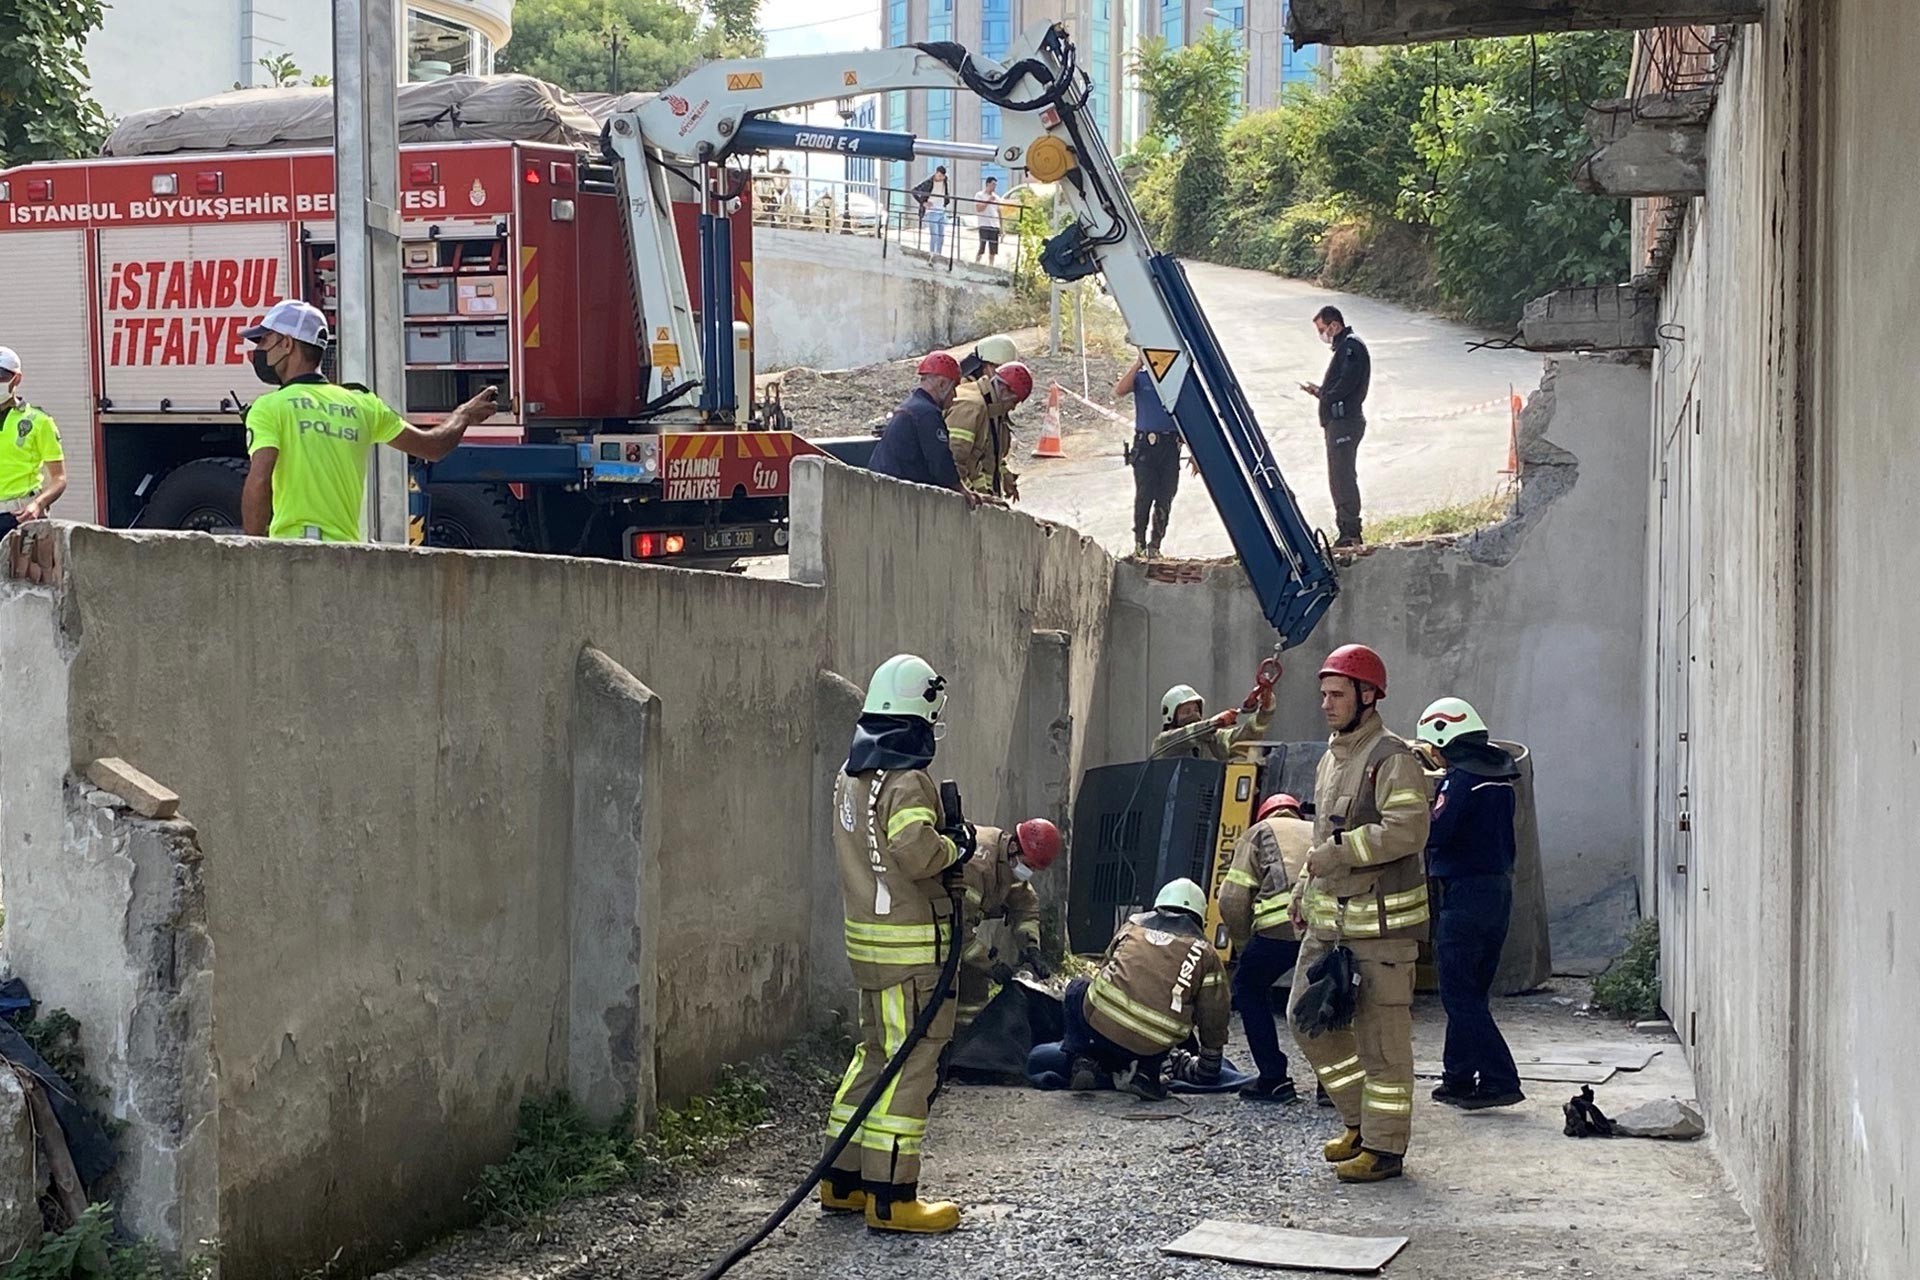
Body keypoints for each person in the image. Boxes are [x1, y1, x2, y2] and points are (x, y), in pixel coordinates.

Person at [821, 653, 972, 1234]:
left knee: (874, 1057)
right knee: (911, 1066)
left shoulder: (851, 774)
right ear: (919, 710)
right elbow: (914, 851)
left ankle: (843, 1181)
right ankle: (893, 1198)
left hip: (869, 947)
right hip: (913, 955)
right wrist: (956, 846)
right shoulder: (908, 779)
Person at [1286, 644, 1432, 1183]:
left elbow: (1409, 830)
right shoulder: (1332, 757)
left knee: (1382, 1044)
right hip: (1331, 924)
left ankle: (1385, 1150)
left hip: (1382, 932)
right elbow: (1323, 837)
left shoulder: (1392, 757)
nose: (1326, 704)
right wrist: (1304, 886)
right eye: (1323, 694)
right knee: (1307, 1020)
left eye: (1337, 694)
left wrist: (1343, 854)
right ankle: (1359, 1125)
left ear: (1367, 697)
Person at [241, 300, 495, 541]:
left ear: (287, 344)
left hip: (292, 553)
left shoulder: (269, 407)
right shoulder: (362, 404)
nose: (259, 350)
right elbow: (433, 447)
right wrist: (464, 414)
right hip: (347, 556)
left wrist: (254, 553)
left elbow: (261, 480)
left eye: (264, 340)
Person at [1417, 696, 1525, 1111]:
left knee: (1459, 995)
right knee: (1471, 992)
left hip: (1464, 895)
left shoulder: (1460, 779)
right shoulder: (1499, 776)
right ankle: (1458, 1078)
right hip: (1497, 892)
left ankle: (1500, 1079)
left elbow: (1437, 832)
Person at [1029, 878, 1229, 1100]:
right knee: (1168, 1019)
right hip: (1153, 1045)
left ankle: (1082, 1059)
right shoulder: (1206, 954)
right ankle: (1147, 1075)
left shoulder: (1132, 927)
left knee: (1077, 988)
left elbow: (1105, 971)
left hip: (1101, 1028)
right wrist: (1209, 1066)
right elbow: (1214, 1014)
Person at [1220, 792, 1312, 1103]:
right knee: (1323, 996)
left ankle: (1273, 1079)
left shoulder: (1258, 833)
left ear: (1265, 815)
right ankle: (1332, 1087)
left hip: (1278, 929)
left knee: (1248, 988)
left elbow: (1232, 900)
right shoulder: (1316, 831)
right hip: (1323, 929)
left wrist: (1245, 945)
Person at [954, 817, 1061, 1034]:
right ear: (1014, 846)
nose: (1028, 872)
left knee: (974, 990)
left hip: (959, 929)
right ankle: (952, 1048)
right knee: (952, 993)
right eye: (1028, 865)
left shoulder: (1007, 859)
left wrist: (1031, 948)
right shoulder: (977, 868)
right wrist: (991, 964)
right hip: (937, 930)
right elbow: (957, 931)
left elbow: (1025, 904)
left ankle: (966, 1049)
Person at [1298, 305, 1371, 548]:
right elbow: (1339, 386)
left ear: (1334, 326)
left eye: (1322, 330)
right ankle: (1347, 530)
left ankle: (1350, 532)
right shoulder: (1344, 348)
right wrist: (1320, 392)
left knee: (1342, 478)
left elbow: (1346, 384)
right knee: (1338, 477)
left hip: (1345, 423)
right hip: (1339, 423)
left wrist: (1325, 394)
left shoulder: (1351, 348)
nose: (1321, 335)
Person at [868, 352, 966, 493]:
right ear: (942, 384)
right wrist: (961, 489)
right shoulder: (927, 414)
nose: (954, 395)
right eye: (953, 388)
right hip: (900, 494)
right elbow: (941, 464)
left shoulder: (909, 407)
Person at [1115, 351, 1181, 558]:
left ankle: (1155, 546)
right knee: (1144, 496)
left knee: (1165, 497)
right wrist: (1137, 364)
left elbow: (1189, 419)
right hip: (1146, 445)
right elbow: (1119, 390)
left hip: (1170, 445)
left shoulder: (1175, 382)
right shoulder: (1141, 378)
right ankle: (1139, 544)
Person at [0, 348, 67, 537]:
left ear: (17, 379)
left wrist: (38, 504)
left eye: (2, 376)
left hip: (20, 517)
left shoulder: (38, 421)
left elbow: (59, 478)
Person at [946, 360, 1034, 500]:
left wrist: (1005, 474)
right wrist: (975, 495)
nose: (1013, 408)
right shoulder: (972, 406)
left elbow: (990, 454)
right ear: (1005, 390)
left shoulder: (991, 408)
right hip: (963, 502)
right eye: (1014, 402)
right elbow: (954, 460)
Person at [1151, 681, 1273, 761]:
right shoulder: (1163, 744)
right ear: (1171, 718)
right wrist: (1213, 723)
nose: (1194, 714)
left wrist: (1264, 711)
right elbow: (1187, 735)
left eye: (1196, 710)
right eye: (1186, 712)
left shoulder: (1211, 739)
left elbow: (1240, 737)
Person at [918, 165, 953, 258]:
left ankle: (939, 253)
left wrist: (946, 201)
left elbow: (946, 192)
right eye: (939, 176)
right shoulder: (929, 182)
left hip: (941, 210)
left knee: (941, 235)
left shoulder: (945, 181)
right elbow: (914, 190)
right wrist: (923, 203)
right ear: (936, 173)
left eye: (942, 176)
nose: (941, 178)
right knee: (934, 234)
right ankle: (932, 253)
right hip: (932, 211)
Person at [971, 176, 1005, 265]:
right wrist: (988, 201)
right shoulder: (979, 195)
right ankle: (976, 263)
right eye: (993, 184)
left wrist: (1002, 228)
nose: (994, 187)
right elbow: (979, 208)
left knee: (993, 248)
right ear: (987, 184)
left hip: (995, 225)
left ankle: (991, 265)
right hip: (984, 224)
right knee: (982, 245)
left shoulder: (997, 198)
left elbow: (999, 212)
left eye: (995, 185)